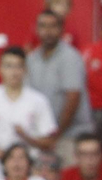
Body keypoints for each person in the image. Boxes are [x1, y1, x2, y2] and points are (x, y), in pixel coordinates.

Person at [0, 50, 57, 180]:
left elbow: (49, 142)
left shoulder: (38, 100)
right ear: (0, 70)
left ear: (25, 70)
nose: (14, 72)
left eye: (18, 66)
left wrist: (27, 137)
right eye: (8, 66)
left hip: (30, 172)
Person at [27, 11, 89, 165]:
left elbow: (73, 98)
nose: (47, 31)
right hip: (42, 138)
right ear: (36, 29)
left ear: (61, 29)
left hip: (70, 136)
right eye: (43, 26)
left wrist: (55, 134)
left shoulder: (70, 57)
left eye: (52, 26)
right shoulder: (31, 59)